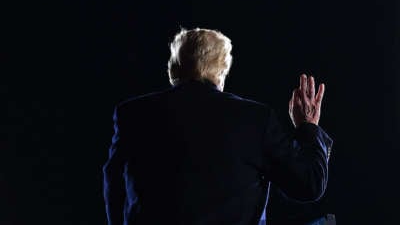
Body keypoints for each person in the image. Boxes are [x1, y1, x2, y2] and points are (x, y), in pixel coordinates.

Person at [103, 28, 333, 225]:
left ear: (174, 68)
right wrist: (308, 127)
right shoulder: (255, 119)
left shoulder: (132, 114)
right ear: (222, 70)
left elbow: (114, 186)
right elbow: (308, 186)